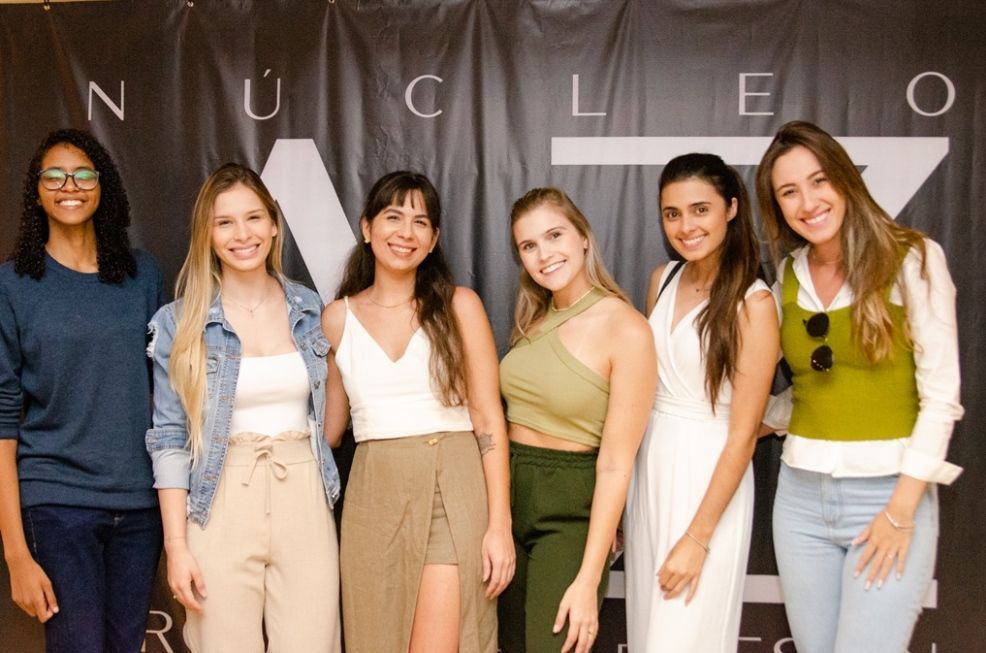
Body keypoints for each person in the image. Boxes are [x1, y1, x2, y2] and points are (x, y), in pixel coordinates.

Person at [756, 121, 963, 653]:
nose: (808, 202)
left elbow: (940, 399)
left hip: (887, 497)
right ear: (777, 207)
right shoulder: (789, 275)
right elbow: (808, 387)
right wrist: (757, 421)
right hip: (800, 500)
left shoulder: (913, 258)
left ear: (844, 179)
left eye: (818, 181)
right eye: (789, 192)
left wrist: (900, 511)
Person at [145, 163, 342, 652]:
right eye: (224, 222)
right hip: (220, 497)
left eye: (253, 217)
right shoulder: (178, 322)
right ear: (207, 235)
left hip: (304, 492)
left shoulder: (313, 310)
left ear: (274, 223)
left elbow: (335, 420)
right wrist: (177, 546)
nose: (242, 234)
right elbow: (169, 437)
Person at [321, 170, 513, 653]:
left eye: (420, 222)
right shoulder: (336, 318)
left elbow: (489, 420)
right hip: (372, 493)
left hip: (451, 484)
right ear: (367, 228)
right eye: (393, 217)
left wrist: (499, 526)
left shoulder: (459, 306)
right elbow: (330, 431)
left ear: (434, 240)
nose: (405, 233)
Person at [0, 128, 164, 653]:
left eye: (83, 173)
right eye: (54, 174)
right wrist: (16, 554)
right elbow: (3, 423)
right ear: (36, 189)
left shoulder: (142, 276)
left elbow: (169, 399)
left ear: (103, 185)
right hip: (56, 504)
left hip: (141, 507)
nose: (69, 184)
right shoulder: (13, 285)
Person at [622, 154, 778, 651]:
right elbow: (645, 395)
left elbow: (742, 435)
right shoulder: (661, 279)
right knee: (650, 635)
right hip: (651, 472)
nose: (685, 227)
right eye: (672, 214)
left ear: (731, 208)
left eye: (700, 210)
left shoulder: (753, 303)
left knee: (684, 636)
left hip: (709, 480)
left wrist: (697, 538)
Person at [498, 187, 656, 653]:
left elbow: (615, 464)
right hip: (509, 503)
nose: (544, 254)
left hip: (569, 512)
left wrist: (588, 579)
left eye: (554, 235)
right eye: (529, 246)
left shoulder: (625, 327)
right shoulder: (533, 319)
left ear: (583, 236)